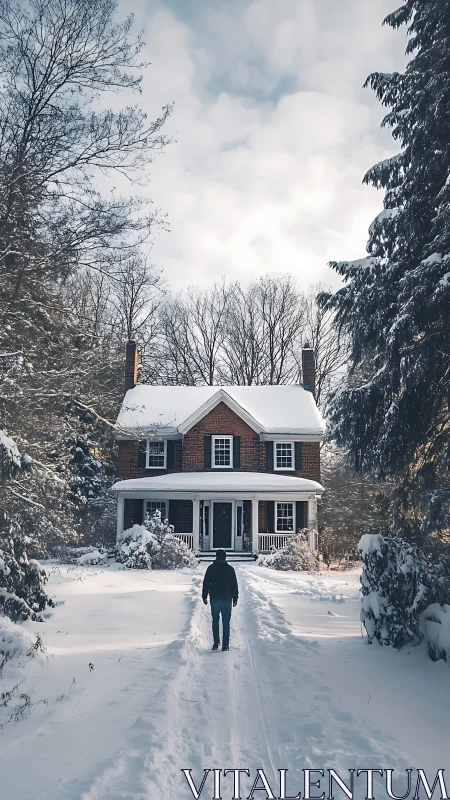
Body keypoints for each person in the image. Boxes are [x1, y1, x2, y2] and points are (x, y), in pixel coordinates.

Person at [202, 549, 239, 651]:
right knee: (226, 622)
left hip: (214, 598)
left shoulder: (211, 568)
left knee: (215, 620)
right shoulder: (230, 569)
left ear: (216, 557)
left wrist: (204, 595)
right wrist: (235, 597)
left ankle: (216, 642)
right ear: (225, 557)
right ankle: (225, 645)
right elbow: (234, 585)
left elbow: (206, 583)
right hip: (227, 598)